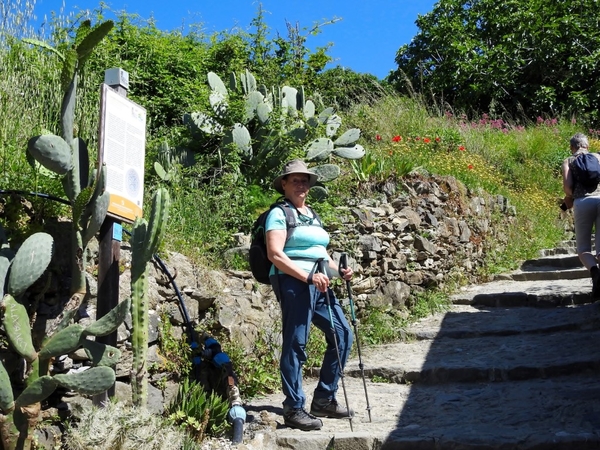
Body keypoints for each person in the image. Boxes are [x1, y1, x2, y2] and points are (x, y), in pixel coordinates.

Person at [265, 159, 354, 431]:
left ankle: (324, 399)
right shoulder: (279, 214)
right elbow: (275, 254)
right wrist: (306, 276)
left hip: (320, 284)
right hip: (294, 283)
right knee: (296, 343)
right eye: (295, 180)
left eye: (305, 180)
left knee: (342, 335)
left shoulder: (313, 216)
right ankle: (293, 408)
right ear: (284, 184)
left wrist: (340, 271)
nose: (301, 184)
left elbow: (322, 257)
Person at [561, 132, 600, 296]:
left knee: (583, 248)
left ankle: (595, 272)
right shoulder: (598, 157)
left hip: (582, 203)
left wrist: (567, 200)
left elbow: (568, 187)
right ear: (587, 146)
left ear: (572, 147)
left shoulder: (569, 161)